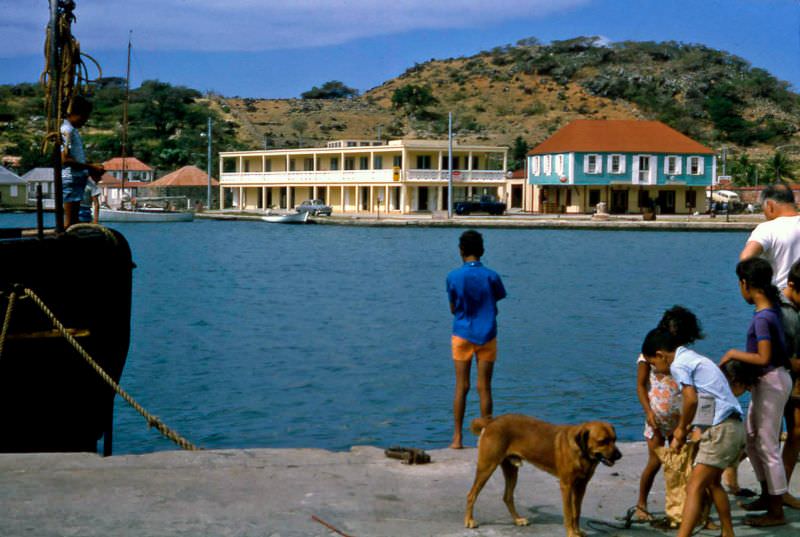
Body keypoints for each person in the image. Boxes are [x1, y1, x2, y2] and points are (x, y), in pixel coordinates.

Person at [642, 327, 744, 537]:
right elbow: (706, 398)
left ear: (661, 355)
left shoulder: (678, 365)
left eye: (654, 364)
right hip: (733, 426)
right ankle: (728, 533)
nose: (656, 370)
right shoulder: (692, 358)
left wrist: (680, 431)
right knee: (714, 483)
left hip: (721, 429)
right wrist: (691, 429)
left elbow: (691, 399)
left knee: (694, 487)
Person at [720, 258, 792, 526]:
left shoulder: (763, 318)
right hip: (769, 381)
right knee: (751, 439)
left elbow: (763, 357)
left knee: (767, 445)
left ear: (745, 284)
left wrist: (731, 354)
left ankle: (776, 509)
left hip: (771, 381)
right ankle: (767, 494)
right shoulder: (771, 311)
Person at [635, 306, 703, 522]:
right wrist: (647, 412)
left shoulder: (682, 357)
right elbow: (640, 385)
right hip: (656, 418)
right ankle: (641, 503)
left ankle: (684, 505)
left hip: (680, 420)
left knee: (685, 465)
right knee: (655, 462)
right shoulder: (650, 354)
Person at [446, 230, 506, 449]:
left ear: (461, 251)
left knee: (461, 386)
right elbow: (496, 299)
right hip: (487, 334)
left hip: (461, 334)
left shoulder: (453, 276)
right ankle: (486, 438)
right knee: (484, 387)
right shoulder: (492, 276)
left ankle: (457, 438)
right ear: (482, 250)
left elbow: (453, 307)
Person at [61, 95, 104, 228]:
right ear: (73, 114)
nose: (85, 120)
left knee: (74, 221)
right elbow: (65, 159)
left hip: (77, 178)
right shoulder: (67, 130)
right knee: (70, 222)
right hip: (71, 178)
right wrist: (91, 167)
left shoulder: (72, 130)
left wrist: (90, 169)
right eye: (84, 116)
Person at [777, 259, 800, 508]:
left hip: (795, 381)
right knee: (769, 435)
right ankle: (774, 492)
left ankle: (781, 488)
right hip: (780, 378)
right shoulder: (781, 312)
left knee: (795, 432)